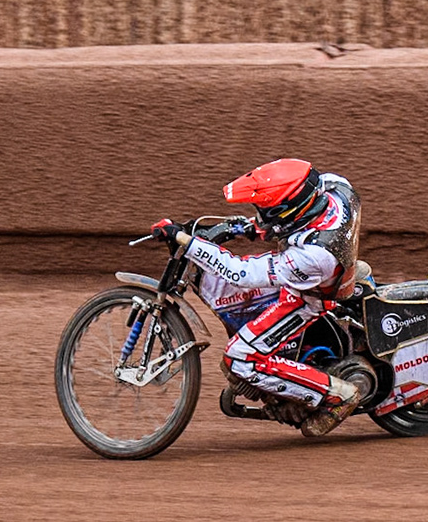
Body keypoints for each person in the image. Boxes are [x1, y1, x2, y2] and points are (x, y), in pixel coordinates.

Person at [147, 158, 365, 438]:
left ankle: (337, 396)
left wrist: (188, 242)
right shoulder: (336, 187)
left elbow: (241, 273)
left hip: (310, 296)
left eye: (266, 211)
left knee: (240, 358)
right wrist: (237, 228)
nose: (261, 215)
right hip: (332, 268)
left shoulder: (312, 256)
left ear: (290, 213)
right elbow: (282, 224)